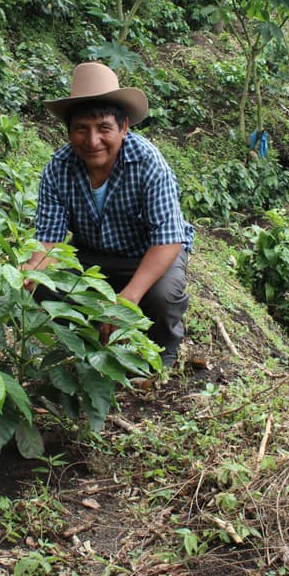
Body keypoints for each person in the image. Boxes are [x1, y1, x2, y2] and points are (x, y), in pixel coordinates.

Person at [24, 62, 194, 368]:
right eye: (81, 129)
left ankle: (164, 349)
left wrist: (128, 297)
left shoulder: (148, 163)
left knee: (161, 296)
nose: (92, 141)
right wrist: (31, 271)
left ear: (124, 127)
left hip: (147, 253)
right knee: (44, 284)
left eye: (104, 128)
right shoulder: (58, 168)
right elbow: (49, 240)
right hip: (91, 254)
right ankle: (84, 340)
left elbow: (168, 240)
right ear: (69, 131)